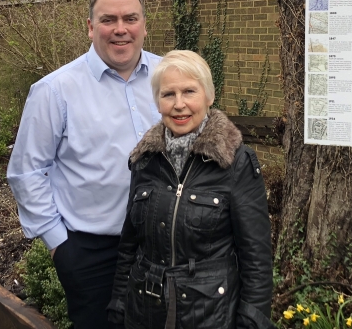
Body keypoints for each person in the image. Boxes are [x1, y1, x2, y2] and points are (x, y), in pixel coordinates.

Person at [8, 0, 161, 329]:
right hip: (92, 254)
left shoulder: (169, 77)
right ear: (91, 27)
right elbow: (27, 171)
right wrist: (60, 245)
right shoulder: (55, 90)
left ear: (144, 26)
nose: (120, 29)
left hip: (164, 245)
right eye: (108, 20)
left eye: (130, 19)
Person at [107, 50, 273, 329]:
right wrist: (118, 305)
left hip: (210, 314)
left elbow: (256, 257)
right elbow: (130, 245)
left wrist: (251, 320)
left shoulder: (235, 162)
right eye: (168, 94)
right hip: (145, 311)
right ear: (157, 101)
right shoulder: (144, 160)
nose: (179, 104)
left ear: (209, 96)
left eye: (189, 92)